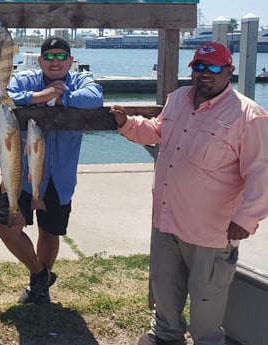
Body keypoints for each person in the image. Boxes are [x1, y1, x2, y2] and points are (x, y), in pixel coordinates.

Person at [110, 42, 268, 345]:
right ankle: (165, 337)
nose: (204, 74)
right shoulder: (178, 99)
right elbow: (157, 132)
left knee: (206, 310)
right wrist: (127, 124)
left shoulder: (249, 116)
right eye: (199, 67)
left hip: (211, 233)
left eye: (213, 68)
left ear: (229, 71)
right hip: (166, 223)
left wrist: (246, 218)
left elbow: (261, 174)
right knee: (165, 296)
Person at [0, 36, 103, 304]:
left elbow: (96, 97)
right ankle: (39, 273)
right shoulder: (25, 79)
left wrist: (64, 98)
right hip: (19, 173)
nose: (55, 62)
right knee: (6, 227)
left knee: (50, 231)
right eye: (49, 57)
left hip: (59, 176)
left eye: (61, 56)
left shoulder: (79, 81)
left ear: (70, 61)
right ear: (40, 60)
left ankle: (39, 287)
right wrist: (38, 97)